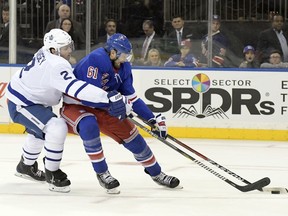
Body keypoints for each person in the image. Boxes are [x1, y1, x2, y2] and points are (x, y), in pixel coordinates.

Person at [5, 29, 127, 193]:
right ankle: (53, 173)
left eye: (70, 46)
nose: (70, 50)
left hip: (30, 98)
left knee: (38, 131)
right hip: (22, 103)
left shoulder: (45, 51)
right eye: (66, 48)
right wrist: (107, 97)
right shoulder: (57, 64)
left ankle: (25, 167)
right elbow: (75, 89)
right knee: (56, 127)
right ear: (54, 50)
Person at [60, 33, 180, 194]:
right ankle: (102, 173)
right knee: (89, 125)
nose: (127, 58)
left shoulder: (124, 67)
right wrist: (117, 103)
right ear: (113, 52)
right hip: (76, 105)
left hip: (104, 106)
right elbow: (89, 97)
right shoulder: (96, 60)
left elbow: (132, 98)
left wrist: (151, 118)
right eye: (124, 54)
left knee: (133, 138)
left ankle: (157, 173)